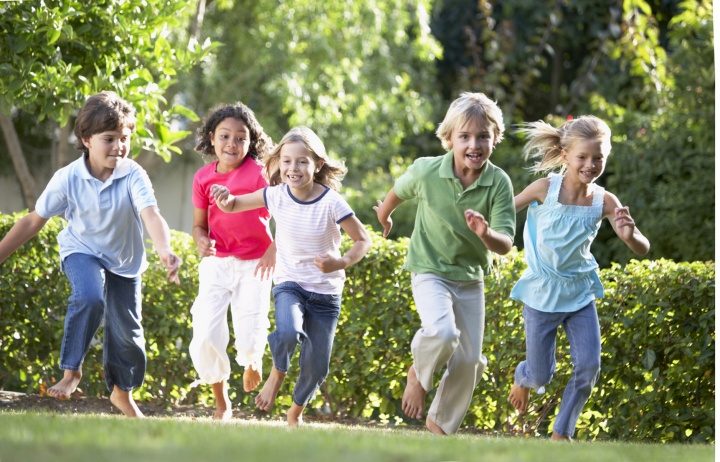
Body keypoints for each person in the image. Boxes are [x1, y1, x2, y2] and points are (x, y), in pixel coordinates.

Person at [0, 91, 182, 417]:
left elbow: (151, 215)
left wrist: (164, 249)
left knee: (128, 336)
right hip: (81, 250)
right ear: (86, 139)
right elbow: (33, 221)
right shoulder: (68, 178)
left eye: (124, 138)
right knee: (89, 297)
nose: (119, 146)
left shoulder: (133, 174)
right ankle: (72, 372)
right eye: (109, 139)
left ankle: (121, 394)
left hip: (125, 262)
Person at [374, 92, 516, 435]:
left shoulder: (499, 183)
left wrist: (485, 233)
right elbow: (399, 190)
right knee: (442, 332)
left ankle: (438, 426)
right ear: (449, 138)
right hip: (430, 271)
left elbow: (506, 244)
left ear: (495, 138)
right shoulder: (427, 171)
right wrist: (384, 215)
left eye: (483, 136)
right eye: (465, 136)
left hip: (470, 279)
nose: (474, 144)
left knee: (469, 361)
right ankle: (418, 376)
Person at [210, 125, 372, 427]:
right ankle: (277, 373)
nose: (292, 168)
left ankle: (294, 413)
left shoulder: (332, 202)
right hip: (290, 284)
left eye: (301, 161)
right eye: (286, 161)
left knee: (317, 365)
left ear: (317, 165)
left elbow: (363, 240)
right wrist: (223, 197)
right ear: (278, 163)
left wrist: (340, 263)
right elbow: (233, 204)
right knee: (287, 331)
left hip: (326, 294)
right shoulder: (277, 195)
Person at [507, 115, 650, 441]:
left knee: (588, 366)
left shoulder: (605, 201)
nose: (590, 164)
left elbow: (642, 246)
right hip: (543, 294)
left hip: (580, 294)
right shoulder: (545, 188)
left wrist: (629, 237)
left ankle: (562, 433)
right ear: (566, 154)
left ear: (606, 156)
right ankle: (523, 375)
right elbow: (504, 211)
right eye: (583, 157)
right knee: (541, 375)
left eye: (598, 157)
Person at [189, 102, 276, 420]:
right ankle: (221, 400)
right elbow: (200, 224)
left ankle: (253, 361)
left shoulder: (260, 174)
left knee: (251, 325)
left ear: (251, 142)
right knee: (206, 332)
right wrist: (200, 239)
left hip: (256, 263)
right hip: (218, 262)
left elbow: (287, 213)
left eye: (241, 138)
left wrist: (274, 249)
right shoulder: (203, 178)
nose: (232, 144)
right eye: (224, 136)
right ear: (212, 138)